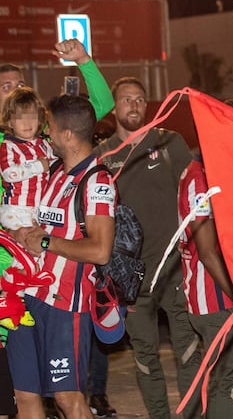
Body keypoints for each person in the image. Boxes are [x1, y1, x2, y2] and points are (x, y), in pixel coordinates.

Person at [95, 77, 201, 419]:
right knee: (145, 356)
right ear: (114, 107)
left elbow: (194, 194)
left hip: (175, 269)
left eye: (140, 99)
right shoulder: (102, 157)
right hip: (130, 279)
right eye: (126, 100)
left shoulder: (170, 142)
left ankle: (189, 415)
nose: (134, 105)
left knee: (189, 351)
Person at [7, 94, 116, 419]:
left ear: (67, 135)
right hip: (27, 296)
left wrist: (45, 243)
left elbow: (100, 249)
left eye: (50, 127)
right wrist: (21, 234)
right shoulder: (54, 170)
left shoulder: (97, 181)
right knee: (25, 395)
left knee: (68, 399)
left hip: (65, 306)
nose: (45, 133)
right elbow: (40, 224)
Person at [177, 156, 233, 418]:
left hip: (209, 300)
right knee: (231, 386)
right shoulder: (199, 179)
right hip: (217, 301)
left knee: (220, 383)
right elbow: (207, 252)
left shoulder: (203, 171)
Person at [0, 87, 54, 230]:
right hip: (16, 209)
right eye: (20, 117)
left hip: (40, 209)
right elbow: (9, 174)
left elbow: (55, 164)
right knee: (26, 246)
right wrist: (38, 166)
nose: (27, 123)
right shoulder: (9, 146)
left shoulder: (44, 144)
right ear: (10, 122)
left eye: (31, 116)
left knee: (39, 248)